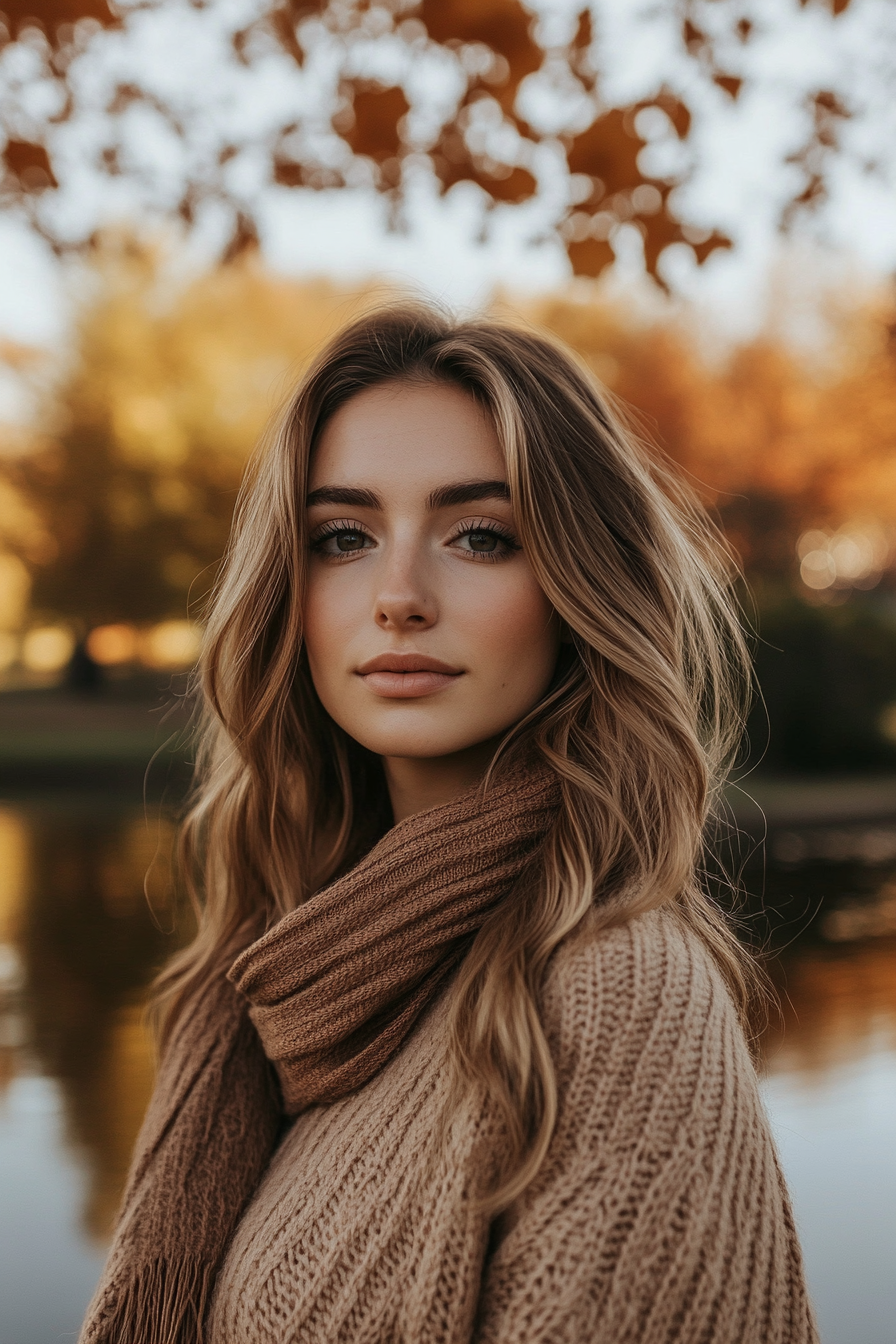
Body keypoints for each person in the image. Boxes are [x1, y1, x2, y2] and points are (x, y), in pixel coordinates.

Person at [80, 304, 817, 1344]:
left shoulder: (616, 992)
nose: (397, 596)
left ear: (577, 583)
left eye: (479, 535)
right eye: (342, 537)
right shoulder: (271, 992)